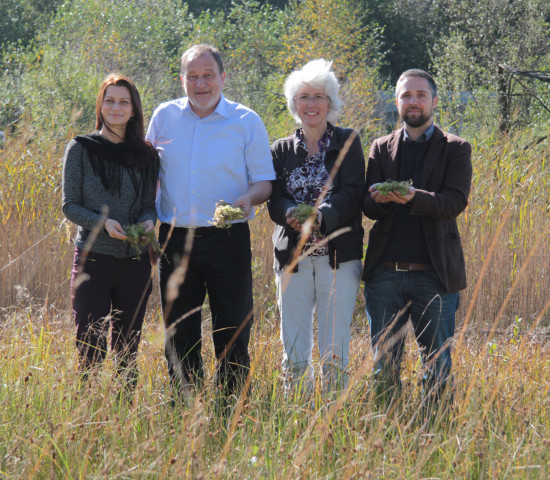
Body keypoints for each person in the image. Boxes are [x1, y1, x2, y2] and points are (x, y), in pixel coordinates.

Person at [146, 44, 275, 400]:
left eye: (207, 75)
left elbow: (264, 181)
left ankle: (231, 406)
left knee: (232, 326)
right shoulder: (163, 116)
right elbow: (147, 174)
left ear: (222, 77)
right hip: (174, 239)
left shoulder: (246, 121)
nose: (200, 83)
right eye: (192, 76)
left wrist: (249, 199)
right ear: (182, 79)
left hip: (228, 237)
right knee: (179, 330)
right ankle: (186, 406)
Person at [362, 69, 472, 411]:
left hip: (434, 275)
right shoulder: (381, 148)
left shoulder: (456, 148)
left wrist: (412, 197)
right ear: (397, 101)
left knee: (437, 365)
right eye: (406, 95)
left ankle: (433, 431)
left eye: (420, 95)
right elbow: (366, 207)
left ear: (434, 101)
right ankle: (386, 427)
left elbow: (455, 202)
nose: (413, 102)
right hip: (384, 275)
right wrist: (378, 199)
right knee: (384, 365)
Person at [267, 59, 365, 394]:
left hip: (338, 258)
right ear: (294, 104)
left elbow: (354, 192)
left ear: (331, 103)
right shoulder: (281, 149)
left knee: (334, 348)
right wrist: (290, 212)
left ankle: (333, 420)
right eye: (304, 97)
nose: (311, 104)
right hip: (292, 259)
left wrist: (322, 214)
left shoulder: (348, 141)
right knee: (293, 349)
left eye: (319, 97)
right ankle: (294, 415)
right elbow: (274, 197)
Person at [62, 73, 159, 393]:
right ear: (100, 106)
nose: (116, 108)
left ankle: (123, 418)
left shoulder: (146, 155)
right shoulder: (80, 149)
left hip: (135, 262)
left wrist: (148, 222)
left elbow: (148, 206)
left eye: (123, 102)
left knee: (128, 347)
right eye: (110, 101)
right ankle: (88, 414)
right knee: (90, 343)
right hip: (93, 260)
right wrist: (103, 224)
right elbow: (70, 207)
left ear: (134, 110)